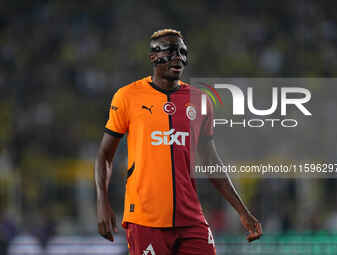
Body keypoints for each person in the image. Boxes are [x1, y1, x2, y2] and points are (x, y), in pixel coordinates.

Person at [94, 28, 262, 255]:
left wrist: (242, 211)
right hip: (146, 219)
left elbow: (211, 161)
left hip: (190, 219)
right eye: (172, 51)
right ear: (153, 56)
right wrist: (102, 202)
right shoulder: (128, 97)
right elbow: (105, 155)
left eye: (183, 52)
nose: (179, 58)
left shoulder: (200, 100)